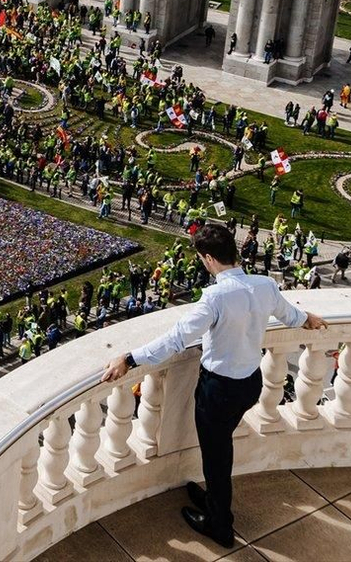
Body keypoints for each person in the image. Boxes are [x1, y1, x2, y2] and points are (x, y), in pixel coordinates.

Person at [103, 224, 326, 548]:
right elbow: (290, 315)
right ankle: (213, 501)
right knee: (219, 450)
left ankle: (219, 524)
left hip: (219, 390)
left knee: (217, 458)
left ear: (208, 259)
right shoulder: (264, 285)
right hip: (251, 382)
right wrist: (308, 318)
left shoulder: (215, 297)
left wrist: (130, 357)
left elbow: (177, 339)